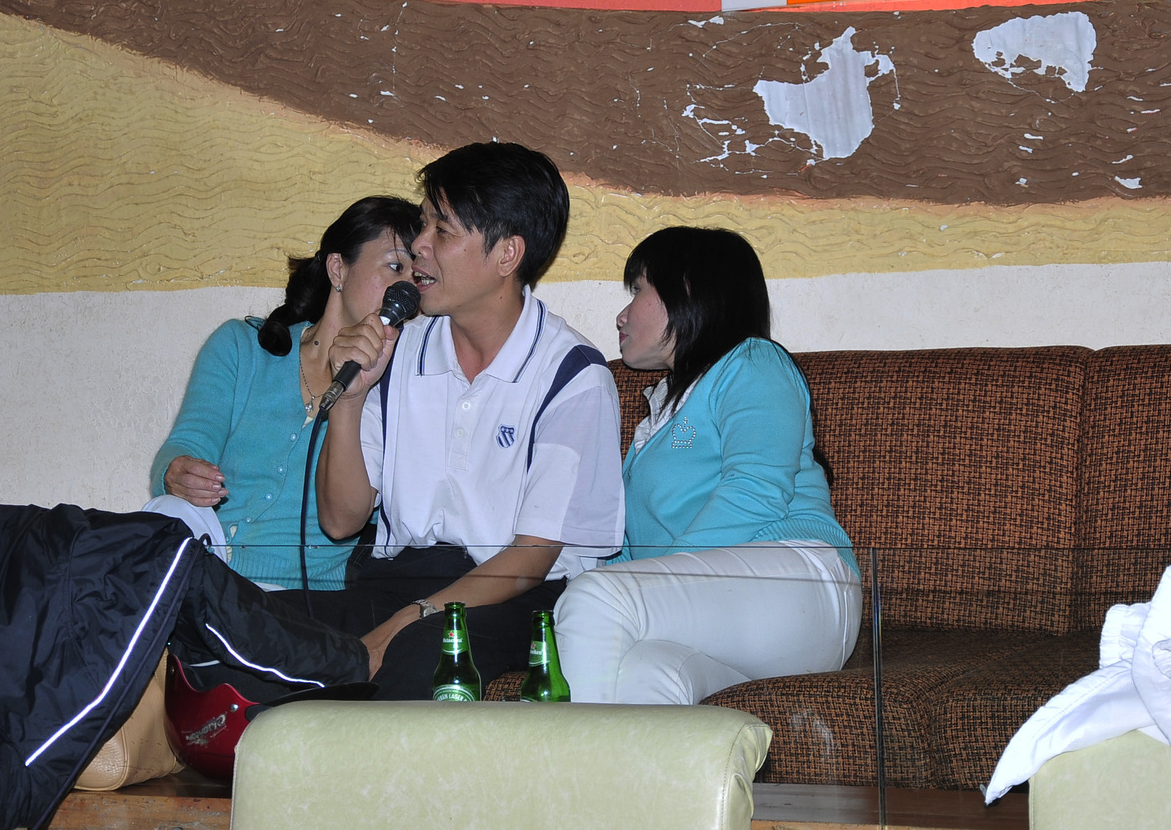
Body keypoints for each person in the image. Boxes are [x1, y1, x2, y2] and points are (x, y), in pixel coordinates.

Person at [301, 142, 625, 699]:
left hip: (512, 597)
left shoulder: (571, 375)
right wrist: (350, 400)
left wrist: (409, 621)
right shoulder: (398, 347)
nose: (419, 246)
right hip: (394, 579)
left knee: (424, 654)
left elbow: (529, 560)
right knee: (267, 630)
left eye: (442, 231)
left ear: (507, 255)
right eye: (423, 223)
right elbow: (340, 520)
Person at [553, 226, 862, 705]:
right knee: (646, 674)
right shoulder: (660, 416)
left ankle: (557, 756)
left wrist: (633, 584)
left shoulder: (753, 362)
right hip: (722, 608)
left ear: (687, 288)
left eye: (638, 291)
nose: (621, 315)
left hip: (803, 583)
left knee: (596, 598)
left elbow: (755, 490)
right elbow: (629, 553)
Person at [147, 196, 422, 591]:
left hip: (302, 601)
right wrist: (175, 473)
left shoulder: (401, 386)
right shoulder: (241, 347)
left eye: (417, 277)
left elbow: (350, 522)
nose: (407, 289)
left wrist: (354, 397)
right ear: (338, 269)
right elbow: (188, 442)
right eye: (395, 267)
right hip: (204, 574)